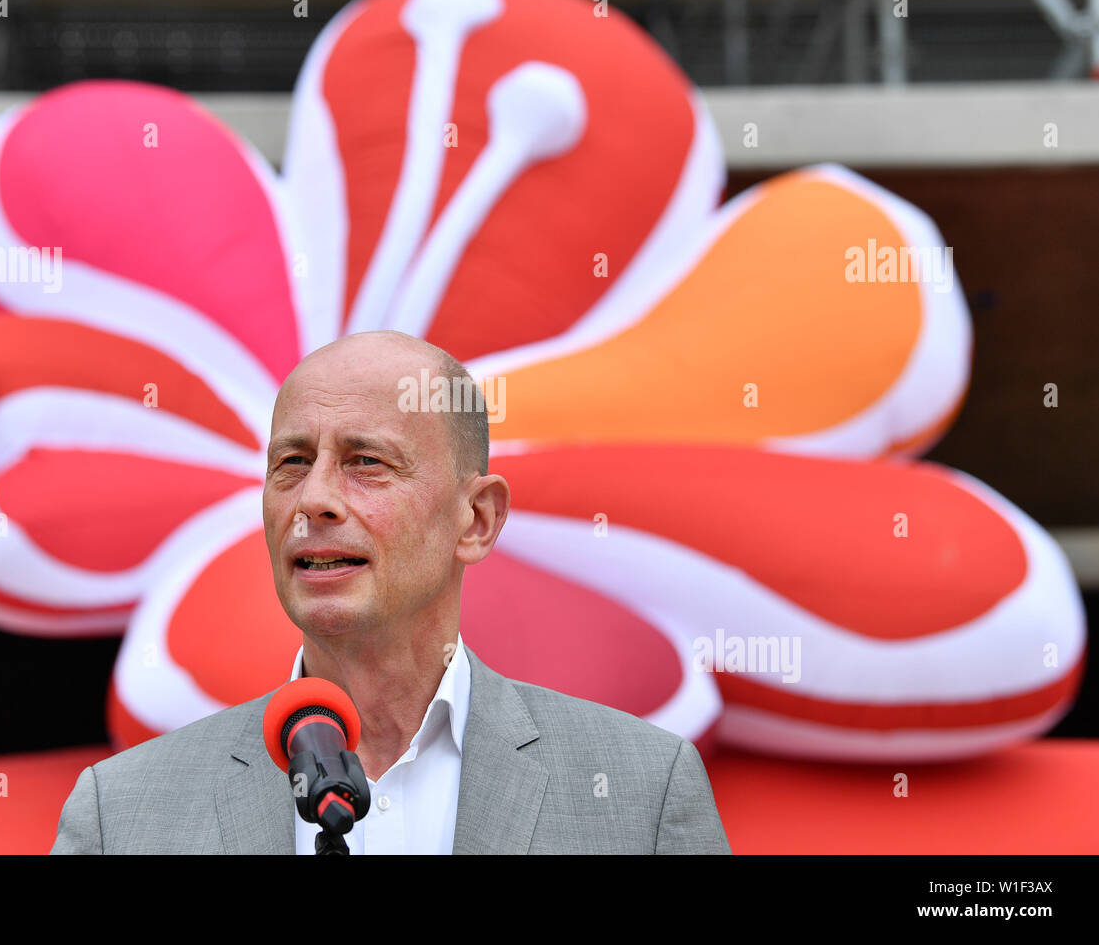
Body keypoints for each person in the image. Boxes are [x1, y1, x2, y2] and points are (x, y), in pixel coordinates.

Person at [51, 330, 730, 854]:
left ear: (476, 518)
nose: (312, 498)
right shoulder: (126, 814)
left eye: (365, 462)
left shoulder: (642, 794)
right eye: (291, 463)